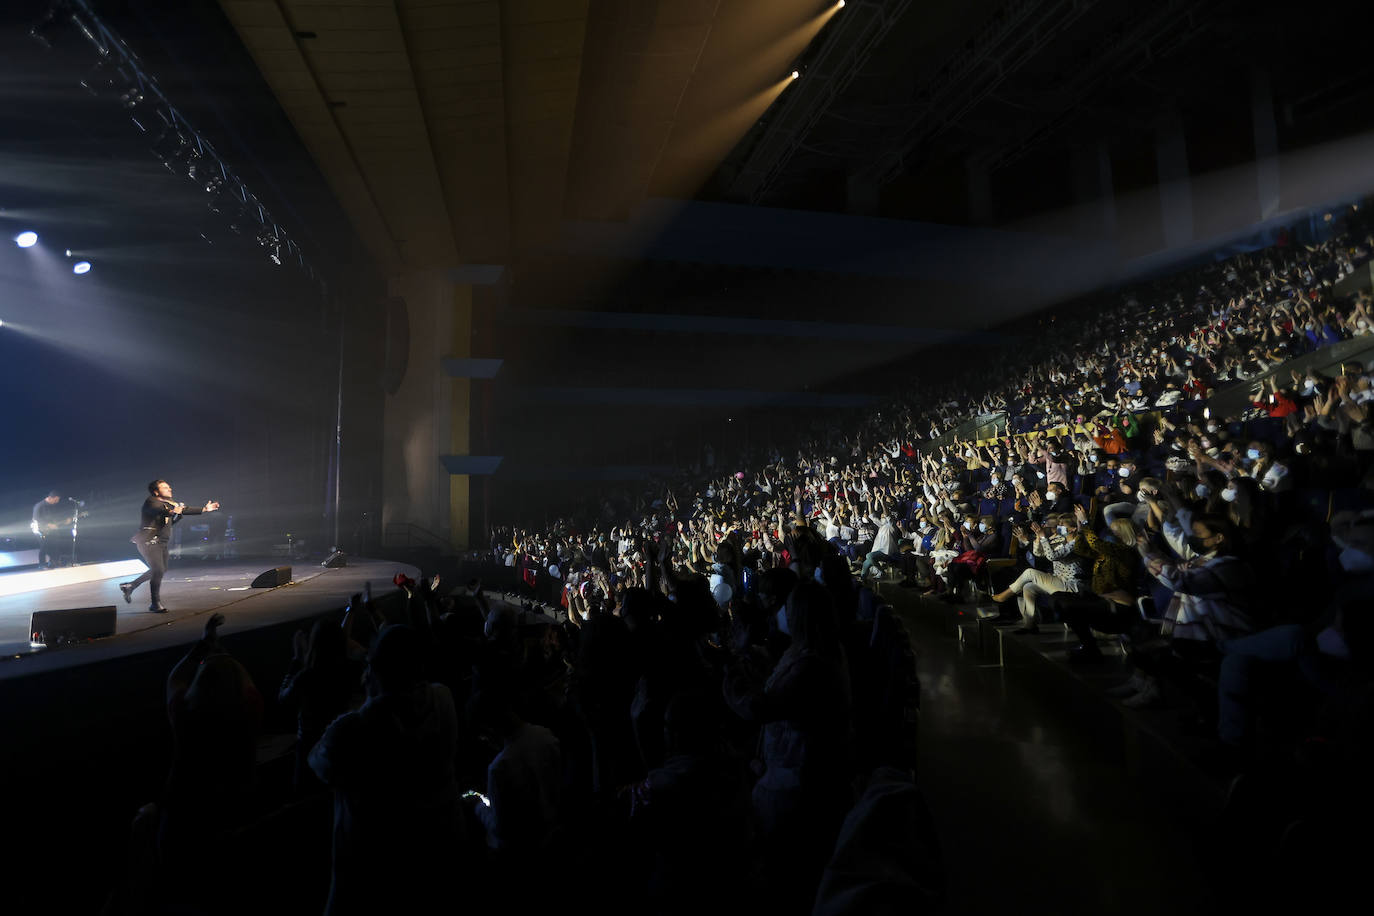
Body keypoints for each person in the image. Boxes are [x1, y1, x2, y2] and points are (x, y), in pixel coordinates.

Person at [120, 479, 220, 612]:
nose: (169, 489)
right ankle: (155, 604)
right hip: (149, 542)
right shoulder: (151, 502)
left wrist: (204, 509)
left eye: (169, 487)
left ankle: (131, 586)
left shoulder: (170, 503)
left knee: (161, 570)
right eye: (164, 487)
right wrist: (174, 511)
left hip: (161, 543)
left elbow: (183, 509)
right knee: (158, 570)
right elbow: (161, 510)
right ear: (156, 492)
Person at [31, 490, 70, 568]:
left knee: (55, 544)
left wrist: (64, 521)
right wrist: (48, 524)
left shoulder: (52, 506)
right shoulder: (39, 505)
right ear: (51, 498)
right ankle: (41, 564)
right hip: (39, 529)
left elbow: (53, 519)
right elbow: (36, 518)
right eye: (56, 500)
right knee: (44, 546)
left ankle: (54, 562)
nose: (57, 502)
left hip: (49, 530)